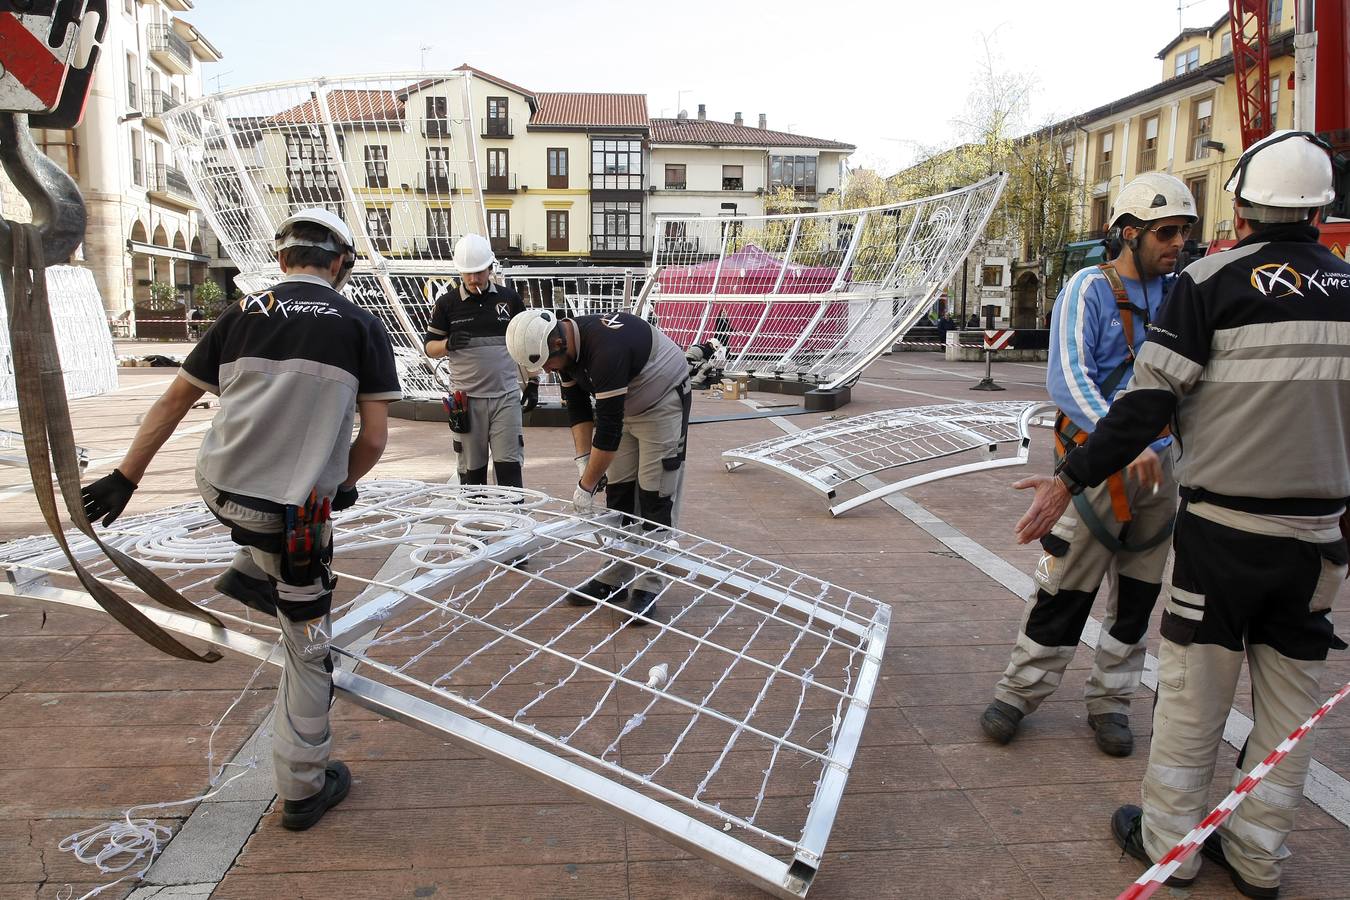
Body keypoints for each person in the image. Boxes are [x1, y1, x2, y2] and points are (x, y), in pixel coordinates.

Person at [1013, 131, 1350, 897]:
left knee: (1195, 697)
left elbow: (1144, 406)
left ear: (1243, 202)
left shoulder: (1212, 283)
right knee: (1291, 708)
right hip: (1318, 545)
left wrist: (1066, 479)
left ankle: (1172, 846)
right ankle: (1259, 857)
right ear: (1322, 206)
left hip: (1225, 535)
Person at [80, 208, 402, 831]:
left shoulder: (242, 311)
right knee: (309, 648)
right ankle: (304, 786)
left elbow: (175, 398)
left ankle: (254, 570)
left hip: (219, 486)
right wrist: (339, 487)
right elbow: (376, 438)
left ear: (282, 260)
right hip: (293, 514)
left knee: (265, 527)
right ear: (339, 264)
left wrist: (125, 478)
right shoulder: (361, 323)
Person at [981, 172, 1197, 758]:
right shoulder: (1088, 289)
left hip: (1160, 475)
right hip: (1094, 470)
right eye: (1165, 232)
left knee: (1137, 597)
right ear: (1127, 233)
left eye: (1184, 232)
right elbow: (1069, 380)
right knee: (1064, 591)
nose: (1177, 244)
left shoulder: (1184, 293)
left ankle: (1112, 703)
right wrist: (1130, 444)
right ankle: (1019, 691)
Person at [506, 309, 689, 623]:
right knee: (618, 496)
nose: (548, 369)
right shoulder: (565, 350)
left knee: (654, 496)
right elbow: (578, 411)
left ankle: (647, 585)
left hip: (661, 403)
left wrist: (585, 486)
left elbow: (607, 433)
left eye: (548, 362)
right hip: (626, 406)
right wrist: (583, 464)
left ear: (559, 342)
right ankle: (614, 578)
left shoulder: (605, 350)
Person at [424, 234, 537, 487]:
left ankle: (512, 523)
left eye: (479, 272)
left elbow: (527, 344)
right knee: (471, 473)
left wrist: (534, 382)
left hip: (506, 398)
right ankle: (472, 522)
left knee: (509, 469)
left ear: (490, 267)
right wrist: (447, 344)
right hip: (467, 402)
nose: (474, 279)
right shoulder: (446, 304)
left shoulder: (509, 300)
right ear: (460, 272)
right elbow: (429, 347)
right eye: (467, 273)